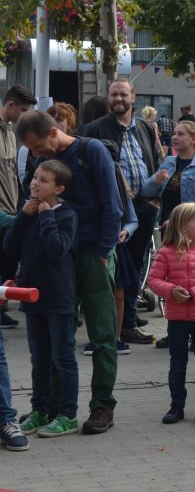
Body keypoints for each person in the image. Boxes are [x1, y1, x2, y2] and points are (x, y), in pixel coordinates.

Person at [15, 110, 123, 434]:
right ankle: (50, 407)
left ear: (52, 132)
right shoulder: (41, 162)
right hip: (56, 260)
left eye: (36, 147)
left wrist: (103, 254)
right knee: (54, 338)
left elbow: (112, 206)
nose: (34, 156)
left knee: (101, 335)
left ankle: (102, 406)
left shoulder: (91, 152)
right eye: (30, 151)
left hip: (91, 256)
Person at [78, 78, 164, 345]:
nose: (118, 99)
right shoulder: (93, 129)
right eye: (114, 94)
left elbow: (155, 161)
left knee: (136, 266)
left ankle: (127, 322)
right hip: (114, 211)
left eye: (123, 94)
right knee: (115, 273)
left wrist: (153, 201)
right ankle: (114, 327)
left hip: (144, 207)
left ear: (133, 97)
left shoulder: (146, 128)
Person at [6, 159, 79, 438]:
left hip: (59, 297)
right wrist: (24, 216)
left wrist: (46, 216)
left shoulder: (66, 215)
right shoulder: (29, 211)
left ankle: (67, 413)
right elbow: (10, 247)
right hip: (32, 297)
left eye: (43, 180)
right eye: (35, 177)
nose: (35, 183)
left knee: (63, 358)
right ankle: (40, 409)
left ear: (58, 188)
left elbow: (57, 250)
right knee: (39, 360)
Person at [146, 203, 195, 426]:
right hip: (177, 318)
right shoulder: (167, 252)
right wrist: (171, 291)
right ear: (183, 225)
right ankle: (176, 406)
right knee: (177, 364)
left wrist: (193, 294)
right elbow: (154, 280)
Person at [0, 84, 37, 330]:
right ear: (10, 105)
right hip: (2, 212)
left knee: (5, 264)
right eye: (23, 109)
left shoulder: (11, 131)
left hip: (10, 207)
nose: (25, 115)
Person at [142, 120, 195, 232]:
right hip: (167, 227)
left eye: (180, 134)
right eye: (174, 134)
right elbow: (146, 192)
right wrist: (155, 180)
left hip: (192, 229)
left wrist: (179, 219)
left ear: (193, 139)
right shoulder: (168, 162)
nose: (175, 137)